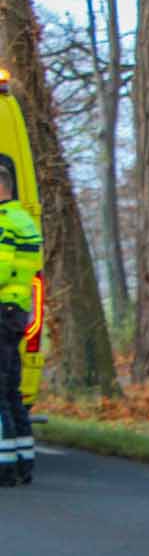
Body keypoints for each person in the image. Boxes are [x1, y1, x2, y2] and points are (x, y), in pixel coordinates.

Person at [0, 161, 41, 486]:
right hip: (16, 311)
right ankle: (22, 462)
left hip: (1, 309)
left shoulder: (4, 223)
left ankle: (4, 467)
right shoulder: (24, 220)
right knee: (11, 390)